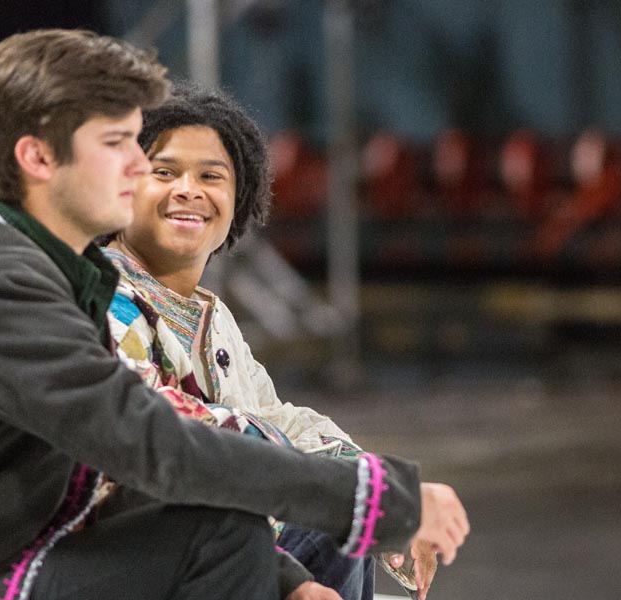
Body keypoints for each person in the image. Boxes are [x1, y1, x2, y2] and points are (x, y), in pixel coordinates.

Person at [0, 29, 469, 600]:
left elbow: (114, 473)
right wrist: (384, 501)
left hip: (4, 556)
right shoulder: (0, 290)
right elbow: (154, 446)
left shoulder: (49, 272)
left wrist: (288, 577)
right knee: (224, 532)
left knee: (230, 534)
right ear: (38, 158)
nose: (135, 163)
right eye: (117, 142)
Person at [100, 81, 439, 600]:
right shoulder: (103, 296)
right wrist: (347, 494)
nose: (189, 189)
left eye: (211, 176)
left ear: (240, 200)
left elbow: (279, 418)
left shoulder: (211, 318)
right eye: (163, 172)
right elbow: (157, 430)